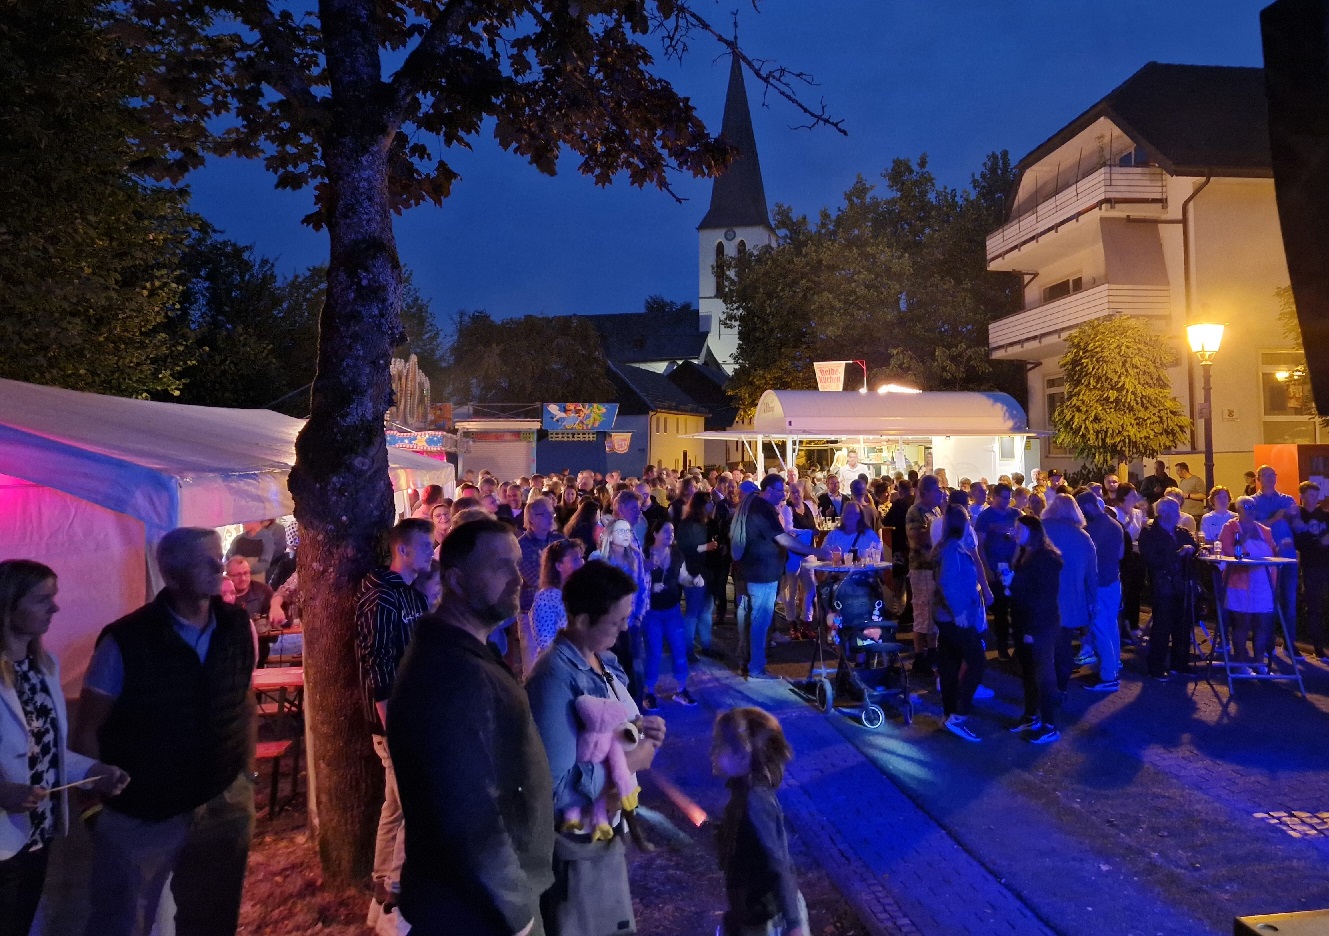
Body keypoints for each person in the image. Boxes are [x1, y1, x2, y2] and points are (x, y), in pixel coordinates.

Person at [72, 528, 257, 936]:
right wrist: (92, 806)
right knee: (123, 922)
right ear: (172, 577)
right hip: (143, 810)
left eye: (219, 555)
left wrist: (244, 776)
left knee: (212, 919)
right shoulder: (126, 640)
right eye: (203, 561)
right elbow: (88, 728)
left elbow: (243, 703)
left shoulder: (236, 627)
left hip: (220, 800)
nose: (219, 566)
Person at [388, 519, 554, 936]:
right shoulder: (450, 674)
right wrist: (520, 916)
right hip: (472, 913)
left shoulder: (464, 652)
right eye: (501, 567)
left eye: (518, 565)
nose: (519, 578)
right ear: (457, 581)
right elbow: (469, 816)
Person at [525, 561, 666, 936]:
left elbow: (607, 729)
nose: (624, 629)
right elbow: (555, 787)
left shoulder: (603, 660)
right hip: (578, 846)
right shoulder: (553, 678)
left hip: (605, 836)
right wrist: (632, 761)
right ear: (583, 620)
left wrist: (639, 729)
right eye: (616, 621)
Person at [0, 561, 129, 936]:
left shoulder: (46, 667)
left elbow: (47, 752)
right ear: (8, 604)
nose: (55, 608)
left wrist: (93, 771)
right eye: (42, 600)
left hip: (36, 834)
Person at [355, 517, 434, 922]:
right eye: (425, 546)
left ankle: (382, 891)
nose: (431, 552)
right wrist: (392, 727)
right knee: (416, 806)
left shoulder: (413, 596)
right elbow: (377, 668)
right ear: (402, 549)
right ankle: (396, 901)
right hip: (394, 723)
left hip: (414, 716)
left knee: (396, 807)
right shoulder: (381, 598)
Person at [712, 706, 808, 936]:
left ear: (742, 754)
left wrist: (794, 924)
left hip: (765, 919)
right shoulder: (743, 790)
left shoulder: (755, 799)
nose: (712, 753)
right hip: (748, 912)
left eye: (719, 746)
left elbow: (778, 862)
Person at [730, 476, 826, 680]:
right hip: (762, 574)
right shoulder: (763, 509)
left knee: (752, 620)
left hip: (754, 572)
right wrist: (816, 551)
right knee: (759, 621)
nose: (784, 495)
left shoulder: (755, 506)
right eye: (780, 490)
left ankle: (748, 664)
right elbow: (783, 539)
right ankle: (756, 668)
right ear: (768, 490)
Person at [1004, 516, 1064, 742]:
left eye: (1020, 529)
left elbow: (1043, 597)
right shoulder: (1025, 553)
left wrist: (1031, 629)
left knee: (1043, 674)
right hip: (1024, 621)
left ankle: (1049, 724)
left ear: (1034, 532)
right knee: (1028, 670)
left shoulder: (1045, 558)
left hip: (1039, 624)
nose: (1015, 532)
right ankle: (1031, 715)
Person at [932, 506, 989, 742]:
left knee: (950, 663)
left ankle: (949, 714)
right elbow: (947, 581)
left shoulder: (946, 548)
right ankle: (958, 714)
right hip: (957, 617)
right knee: (976, 662)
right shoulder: (953, 551)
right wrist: (958, 612)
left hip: (946, 617)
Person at [642, 521, 698, 710]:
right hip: (652, 612)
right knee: (654, 652)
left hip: (672, 609)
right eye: (666, 531)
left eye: (672, 531)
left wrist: (692, 581)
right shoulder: (645, 553)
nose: (670, 534)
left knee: (679, 649)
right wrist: (651, 587)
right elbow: (636, 581)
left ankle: (681, 690)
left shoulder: (676, 554)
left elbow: (682, 577)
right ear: (655, 532)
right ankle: (649, 692)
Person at [1139, 498, 1198, 680]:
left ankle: (1180, 663)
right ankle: (1155, 667)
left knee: (1183, 624)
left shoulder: (1182, 532)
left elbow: (1195, 547)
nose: (1178, 515)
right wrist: (1177, 555)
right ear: (1162, 512)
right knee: (1162, 626)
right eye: (1174, 511)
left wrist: (1192, 548)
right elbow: (1151, 558)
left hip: (1183, 583)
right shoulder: (1150, 533)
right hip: (1162, 583)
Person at [591, 519, 650, 700]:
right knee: (609, 663)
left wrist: (639, 615)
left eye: (628, 531)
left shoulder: (635, 557)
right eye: (621, 531)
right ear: (610, 534)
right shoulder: (598, 558)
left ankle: (634, 704)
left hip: (630, 620)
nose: (626, 535)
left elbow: (641, 587)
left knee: (632, 663)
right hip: (607, 621)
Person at [1219, 497, 1277, 673]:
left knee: (1262, 623)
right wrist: (1244, 539)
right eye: (1246, 507)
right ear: (1238, 510)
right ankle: (1241, 664)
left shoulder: (1265, 530)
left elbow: (1273, 551)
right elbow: (1228, 551)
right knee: (1241, 623)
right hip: (1240, 581)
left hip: (1264, 583)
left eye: (1253, 507)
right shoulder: (1230, 528)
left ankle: (1259, 663)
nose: (1251, 510)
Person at [1075, 490, 1124, 692]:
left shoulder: (1090, 530)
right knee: (1111, 626)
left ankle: (1108, 675)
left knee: (1100, 628)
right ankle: (1114, 663)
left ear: (1086, 507)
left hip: (1099, 585)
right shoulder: (1115, 524)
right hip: (1113, 580)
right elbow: (1120, 553)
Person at [1250, 464, 1300, 658]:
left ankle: (1290, 643)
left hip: (1288, 557)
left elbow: (1296, 523)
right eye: (1266, 475)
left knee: (1290, 601)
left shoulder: (1287, 499)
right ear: (1258, 478)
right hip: (1266, 558)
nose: (1270, 478)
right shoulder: (1253, 502)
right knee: (1268, 602)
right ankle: (1268, 644)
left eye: (1273, 474)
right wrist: (1276, 517)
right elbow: (1253, 528)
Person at [974, 482, 1021, 660]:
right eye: (1004, 497)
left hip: (1013, 567)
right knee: (1001, 609)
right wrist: (986, 568)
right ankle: (1002, 647)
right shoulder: (986, 517)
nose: (1007, 501)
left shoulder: (1015, 514)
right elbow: (980, 545)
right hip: (995, 567)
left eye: (1009, 497)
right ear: (994, 497)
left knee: (1017, 608)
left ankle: (1017, 645)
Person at [905, 475, 946, 675]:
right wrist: (934, 529)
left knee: (934, 612)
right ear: (926, 492)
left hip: (935, 568)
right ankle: (919, 655)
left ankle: (933, 651)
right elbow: (918, 538)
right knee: (922, 610)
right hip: (922, 567)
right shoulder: (916, 512)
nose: (941, 493)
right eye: (937, 490)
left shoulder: (936, 511)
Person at [676, 491, 718, 660]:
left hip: (707, 571)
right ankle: (688, 649)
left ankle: (706, 645)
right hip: (693, 571)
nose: (711, 506)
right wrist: (704, 547)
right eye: (708, 503)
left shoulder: (708, 523)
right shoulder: (688, 524)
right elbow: (684, 548)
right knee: (693, 612)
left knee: (706, 610)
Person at [528, 539, 585, 661]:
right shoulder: (546, 598)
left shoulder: (582, 593)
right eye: (575, 559)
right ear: (559, 565)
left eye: (581, 558)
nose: (581, 563)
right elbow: (546, 641)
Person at [1296, 482, 1329, 662]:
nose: (1313, 499)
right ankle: (1318, 648)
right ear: (1302, 496)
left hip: (1326, 562)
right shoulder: (1298, 515)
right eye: (1309, 496)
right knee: (1314, 606)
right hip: (1310, 565)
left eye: (1315, 496)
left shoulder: (1324, 515)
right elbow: (1299, 540)